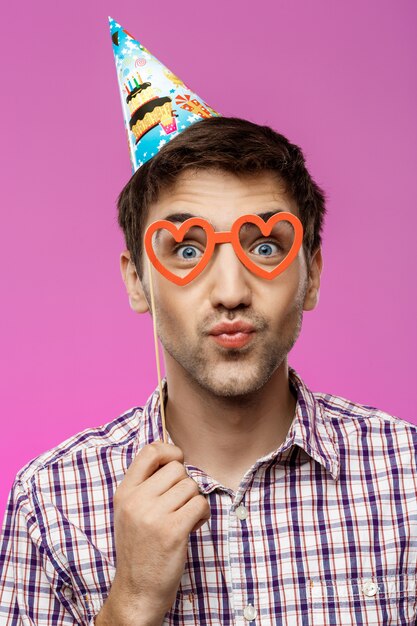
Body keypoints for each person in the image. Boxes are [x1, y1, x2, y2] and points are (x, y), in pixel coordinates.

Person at [1, 117, 416, 626]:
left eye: (265, 247)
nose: (230, 293)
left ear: (312, 275)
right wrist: (131, 601)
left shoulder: (407, 474)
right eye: (188, 250)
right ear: (138, 283)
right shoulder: (51, 503)